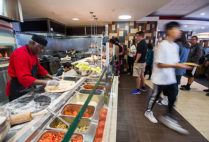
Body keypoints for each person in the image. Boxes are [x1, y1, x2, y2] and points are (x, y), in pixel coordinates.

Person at [144, 22, 190, 134]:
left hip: (170, 77)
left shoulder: (175, 46)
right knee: (155, 95)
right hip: (160, 77)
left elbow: (174, 61)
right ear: (169, 31)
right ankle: (148, 111)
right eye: (176, 29)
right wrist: (177, 65)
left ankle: (169, 116)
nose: (179, 31)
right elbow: (159, 64)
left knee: (173, 96)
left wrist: (181, 64)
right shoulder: (162, 45)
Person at [6, 35, 59, 101]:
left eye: (43, 49)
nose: (42, 51)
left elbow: (39, 68)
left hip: (29, 86)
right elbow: (24, 78)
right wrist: (47, 82)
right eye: (41, 48)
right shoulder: (21, 54)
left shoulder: (33, 54)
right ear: (33, 43)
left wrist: (51, 77)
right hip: (19, 89)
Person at [157, 31, 190, 106]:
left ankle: (166, 101)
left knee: (167, 86)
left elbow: (171, 59)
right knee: (175, 86)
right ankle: (173, 101)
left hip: (173, 69)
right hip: (180, 69)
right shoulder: (187, 45)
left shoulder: (176, 45)